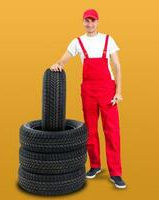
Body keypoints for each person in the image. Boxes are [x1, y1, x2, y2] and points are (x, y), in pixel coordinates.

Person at [49, 8, 126, 189]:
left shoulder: (108, 39)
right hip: (89, 91)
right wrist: (57, 64)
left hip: (108, 90)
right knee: (90, 130)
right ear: (83, 22)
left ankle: (116, 173)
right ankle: (95, 165)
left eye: (93, 21)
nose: (90, 24)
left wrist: (119, 91)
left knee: (112, 131)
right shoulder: (77, 42)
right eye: (87, 21)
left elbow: (117, 66)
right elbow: (63, 60)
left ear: (98, 22)